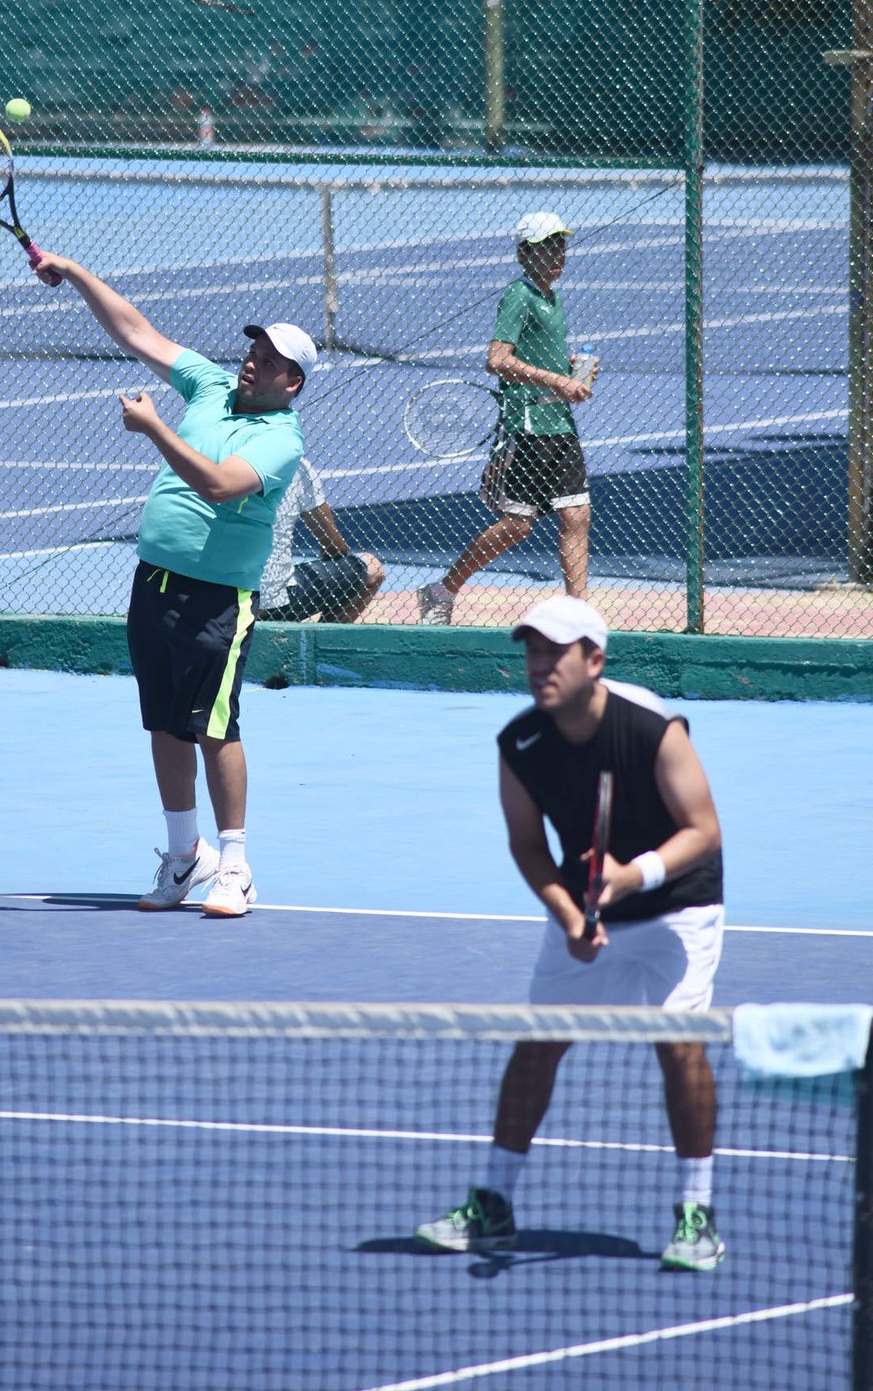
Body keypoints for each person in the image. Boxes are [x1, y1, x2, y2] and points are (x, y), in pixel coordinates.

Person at [414, 595, 726, 1271]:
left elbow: (704, 832)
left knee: (680, 1047)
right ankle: (493, 1206)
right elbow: (527, 845)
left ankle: (696, 1214)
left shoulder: (651, 727)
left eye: (554, 652)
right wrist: (569, 916)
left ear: (595, 660)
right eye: (531, 651)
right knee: (539, 1045)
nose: (539, 665)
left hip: (677, 904)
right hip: (585, 903)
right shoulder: (521, 744)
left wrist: (629, 876)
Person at [33, 249, 312, 918]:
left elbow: (219, 488)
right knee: (164, 724)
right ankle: (184, 854)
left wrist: (155, 427)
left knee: (215, 727)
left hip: (218, 600)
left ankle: (236, 867)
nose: (254, 362)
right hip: (153, 585)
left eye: (271, 360)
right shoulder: (211, 387)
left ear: (292, 382)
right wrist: (72, 270)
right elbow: (136, 331)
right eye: (254, 350)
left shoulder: (281, 439)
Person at [416, 212, 596, 626]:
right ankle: (441, 591)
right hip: (529, 426)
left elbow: (536, 356)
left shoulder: (553, 298)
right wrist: (556, 378)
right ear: (523, 254)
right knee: (517, 526)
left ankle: (580, 616)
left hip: (560, 423)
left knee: (576, 515)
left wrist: (571, 371)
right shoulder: (518, 295)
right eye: (547, 246)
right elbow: (496, 360)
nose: (557, 254)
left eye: (560, 245)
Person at [257, 457, 385, 622]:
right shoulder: (297, 466)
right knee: (372, 568)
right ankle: (321, 642)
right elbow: (334, 546)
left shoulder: (220, 465)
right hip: (278, 598)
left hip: (224, 596)